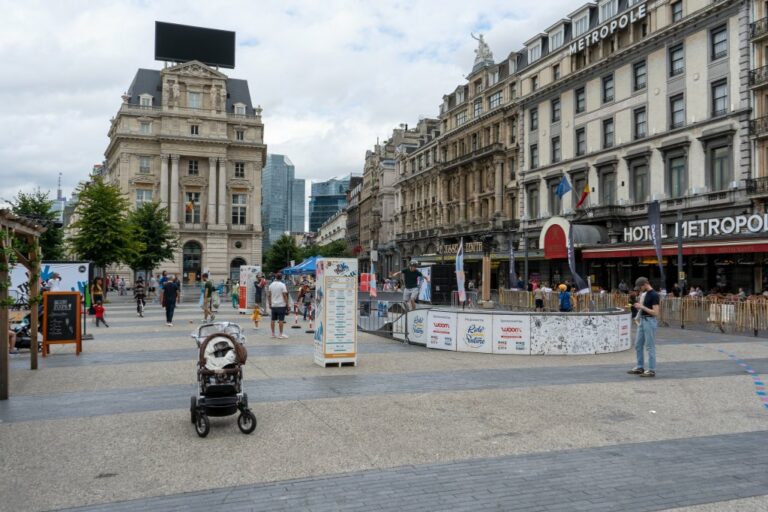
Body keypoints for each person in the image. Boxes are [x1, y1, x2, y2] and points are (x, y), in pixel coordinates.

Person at [628, 276, 660, 378]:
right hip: (643, 320)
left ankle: (651, 370)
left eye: (640, 287)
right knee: (638, 344)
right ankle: (640, 366)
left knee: (650, 346)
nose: (639, 289)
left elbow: (656, 312)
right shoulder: (645, 294)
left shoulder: (654, 295)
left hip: (650, 321)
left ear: (645, 284)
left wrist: (642, 307)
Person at [267, 273, 290, 339]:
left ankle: (273, 334)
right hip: (281, 305)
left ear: (275, 277)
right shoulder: (282, 285)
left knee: (273, 320)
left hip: (274, 305)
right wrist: (287, 304)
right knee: (281, 320)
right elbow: (284, 295)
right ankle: (280, 334)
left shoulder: (271, 285)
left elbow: (269, 295)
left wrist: (269, 304)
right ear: (281, 278)